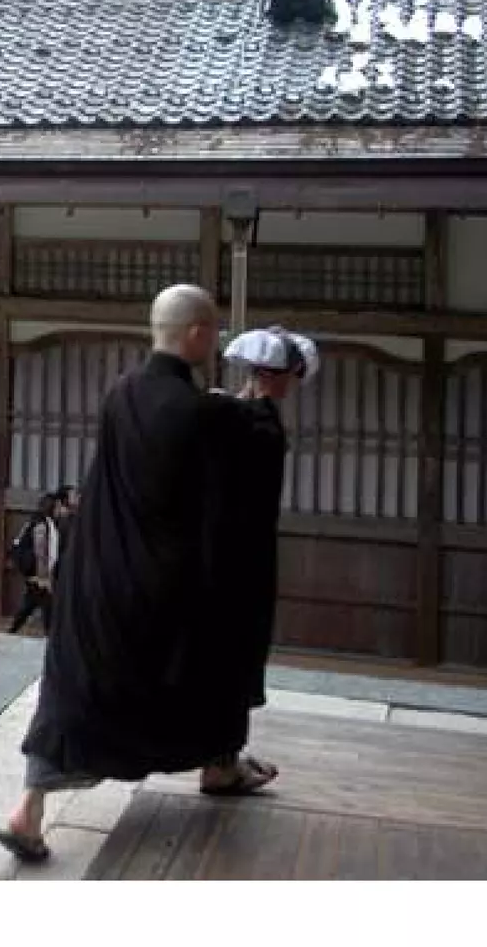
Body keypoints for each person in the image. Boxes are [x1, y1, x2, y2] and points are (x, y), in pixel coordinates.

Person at [0, 284, 283, 868]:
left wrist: (233, 409)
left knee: (76, 689)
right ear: (197, 334)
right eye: (213, 332)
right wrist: (266, 401)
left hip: (100, 577)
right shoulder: (202, 413)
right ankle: (220, 764)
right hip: (164, 588)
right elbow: (250, 460)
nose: (215, 341)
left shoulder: (121, 393)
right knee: (217, 649)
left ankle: (28, 809)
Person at [202, 326, 314, 793]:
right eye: (292, 374)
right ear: (279, 375)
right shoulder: (261, 426)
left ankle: (220, 755)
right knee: (237, 656)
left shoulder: (221, 413)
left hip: (208, 553)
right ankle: (220, 764)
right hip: (243, 560)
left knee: (219, 657)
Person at [5, 490, 68, 637]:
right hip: (38, 574)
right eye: (58, 506)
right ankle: (49, 635)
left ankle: (13, 630)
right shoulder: (42, 525)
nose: (60, 509)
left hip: (37, 575)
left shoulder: (45, 522)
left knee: (32, 603)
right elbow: (41, 553)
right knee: (45, 604)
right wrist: (43, 578)